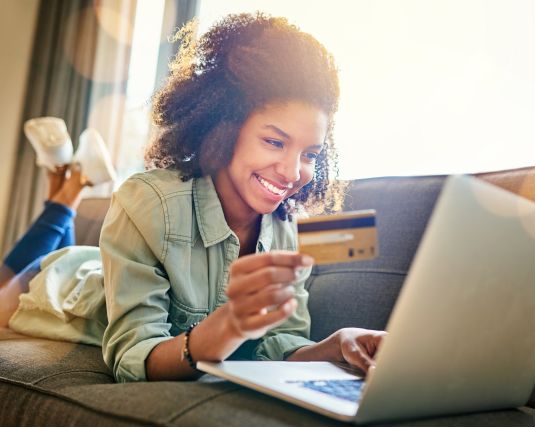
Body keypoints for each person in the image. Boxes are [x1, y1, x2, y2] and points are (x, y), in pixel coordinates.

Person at [4, 13, 385, 383]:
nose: (292, 172)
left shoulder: (285, 228)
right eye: (274, 141)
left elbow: (277, 344)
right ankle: (67, 189)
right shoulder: (149, 200)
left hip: (108, 265)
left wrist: (333, 346)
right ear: (225, 127)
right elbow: (132, 357)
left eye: (310, 155)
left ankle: (67, 179)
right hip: (56, 288)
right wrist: (224, 328)